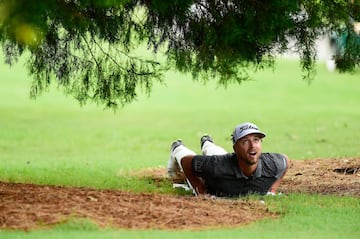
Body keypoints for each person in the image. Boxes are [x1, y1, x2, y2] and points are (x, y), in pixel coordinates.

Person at [167, 122, 289, 197]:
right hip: (214, 173)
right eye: (245, 141)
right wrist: (200, 189)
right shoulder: (216, 165)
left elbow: (286, 162)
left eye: (256, 140)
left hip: (228, 161)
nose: (252, 146)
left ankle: (207, 143)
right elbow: (186, 162)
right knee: (213, 159)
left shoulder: (273, 163)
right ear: (235, 147)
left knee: (216, 153)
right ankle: (177, 147)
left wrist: (272, 189)